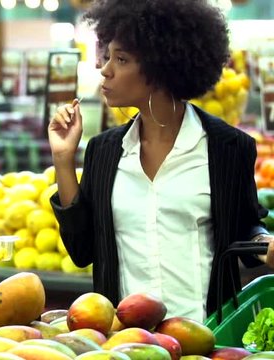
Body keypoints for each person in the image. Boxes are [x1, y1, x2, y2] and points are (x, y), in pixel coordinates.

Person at [48, 0, 274, 323]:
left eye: (121, 59)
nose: (105, 69)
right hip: (126, 344)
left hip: (205, 338)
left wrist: (265, 244)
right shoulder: (104, 151)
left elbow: (245, 229)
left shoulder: (228, 147)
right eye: (107, 55)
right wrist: (63, 158)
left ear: (158, 67)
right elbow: (82, 250)